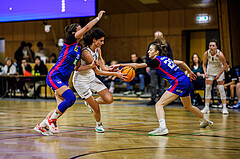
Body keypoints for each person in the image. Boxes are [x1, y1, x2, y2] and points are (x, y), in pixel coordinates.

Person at [110, 43, 213, 136]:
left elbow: (137, 65)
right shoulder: (166, 58)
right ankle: (206, 120)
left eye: (151, 49)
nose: (148, 51)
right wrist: (190, 72)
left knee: (159, 104)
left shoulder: (156, 61)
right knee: (188, 106)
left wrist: (120, 65)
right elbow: (181, 62)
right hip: (185, 80)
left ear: (156, 52)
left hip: (178, 82)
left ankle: (162, 128)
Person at [34, 10, 106, 136]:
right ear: (74, 33)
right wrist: (98, 18)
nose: (83, 30)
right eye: (80, 29)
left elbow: (77, 68)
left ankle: (42, 125)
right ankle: (51, 120)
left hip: (63, 79)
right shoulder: (70, 41)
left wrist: (90, 65)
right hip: (55, 75)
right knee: (71, 98)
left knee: (62, 107)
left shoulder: (78, 49)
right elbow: (88, 27)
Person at [73, 27, 126, 133]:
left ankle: (90, 103)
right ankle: (99, 124)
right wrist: (115, 74)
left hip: (91, 77)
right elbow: (98, 72)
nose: (103, 43)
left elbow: (103, 68)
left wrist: (111, 68)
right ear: (94, 40)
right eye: (101, 40)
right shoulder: (86, 53)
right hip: (81, 81)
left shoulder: (98, 50)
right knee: (96, 108)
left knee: (109, 99)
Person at [201, 39, 228, 114]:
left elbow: (225, 65)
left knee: (221, 89)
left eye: (213, 45)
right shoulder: (206, 53)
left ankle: (224, 107)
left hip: (219, 71)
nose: (211, 47)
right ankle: (206, 107)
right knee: (208, 88)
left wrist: (219, 74)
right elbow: (204, 64)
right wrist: (205, 72)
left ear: (216, 47)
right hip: (210, 71)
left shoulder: (220, 54)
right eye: (210, 46)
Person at [146, 31, 173, 105]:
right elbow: (147, 55)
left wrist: (170, 66)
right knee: (153, 84)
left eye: (159, 36)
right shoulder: (152, 45)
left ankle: (161, 99)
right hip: (154, 66)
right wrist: (147, 65)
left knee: (162, 84)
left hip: (163, 67)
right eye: (156, 36)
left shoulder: (166, 45)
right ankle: (153, 99)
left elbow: (170, 55)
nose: (158, 37)